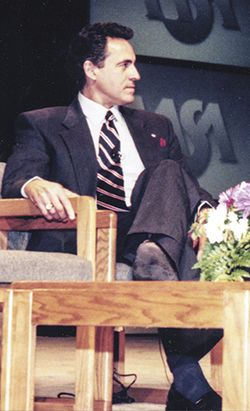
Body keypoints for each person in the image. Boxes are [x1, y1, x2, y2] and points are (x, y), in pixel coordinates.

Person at [2, 22, 222, 411]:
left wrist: (206, 212)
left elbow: (189, 186)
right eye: (124, 65)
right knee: (171, 243)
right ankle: (186, 371)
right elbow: (16, 178)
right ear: (91, 69)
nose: (135, 74)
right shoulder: (44, 122)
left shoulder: (156, 126)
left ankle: (151, 252)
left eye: (135, 64)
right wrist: (35, 184)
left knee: (169, 172)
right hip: (86, 233)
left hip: (151, 225)